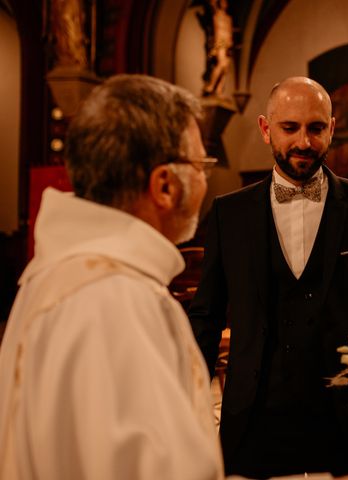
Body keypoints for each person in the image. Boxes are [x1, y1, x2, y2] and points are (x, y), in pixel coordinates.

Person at [0, 74, 223, 479]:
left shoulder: (51, 276)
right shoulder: (120, 300)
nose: (206, 178)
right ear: (165, 185)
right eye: (201, 164)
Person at [188, 76, 348, 479]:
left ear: (332, 128)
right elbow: (207, 314)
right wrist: (187, 400)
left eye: (316, 128)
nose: (304, 142)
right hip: (254, 416)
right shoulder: (228, 214)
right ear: (266, 129)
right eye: (290, 128)